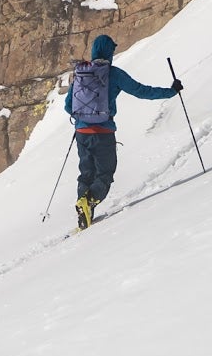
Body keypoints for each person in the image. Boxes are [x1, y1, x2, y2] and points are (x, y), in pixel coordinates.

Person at [63, 34, 181, 229]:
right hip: (103, 132)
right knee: (105, 173)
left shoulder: (81, 73)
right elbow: (142, 91)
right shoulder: (114, 74)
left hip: (82, 133)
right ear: (109, 52)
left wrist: (84, 116)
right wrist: (171, 91)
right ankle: (90, 200)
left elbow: (68, 107)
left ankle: (84, 212)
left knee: (86, 172)